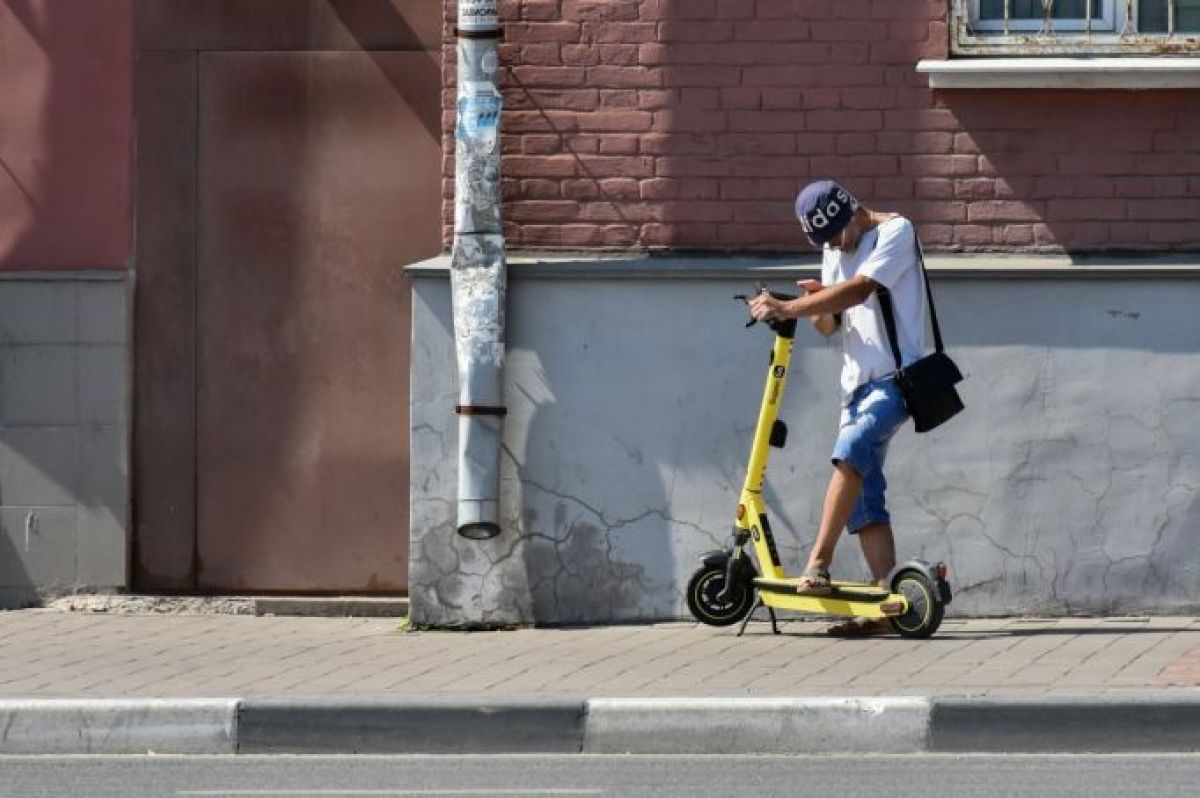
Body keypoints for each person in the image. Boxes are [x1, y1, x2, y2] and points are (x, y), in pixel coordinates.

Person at [748, 180, 925, 637]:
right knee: (865, 498)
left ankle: (817, 564)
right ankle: (885, 604)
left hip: (897, 380)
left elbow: (859, 291)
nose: (831, 247)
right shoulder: (834, 248)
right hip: (854, 388)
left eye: (833, 236)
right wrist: (811, 305)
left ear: (850, 213)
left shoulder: (896, 233)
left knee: (851, 449)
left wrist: (791, 306)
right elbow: (832, 325)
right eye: (823, 241)